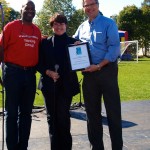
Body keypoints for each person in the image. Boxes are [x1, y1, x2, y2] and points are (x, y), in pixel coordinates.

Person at [73, 0, 123, 149]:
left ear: (98, 5)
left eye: (92, 4)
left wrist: (99, 65)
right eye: (86, 5)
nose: (89, 8)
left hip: (107, 71)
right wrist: (74, 44)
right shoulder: (81, 27)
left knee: (113, 113)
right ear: (83, 8)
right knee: (92, 115)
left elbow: (114, 47)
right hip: (89, 75)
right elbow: (73, 42)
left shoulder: (109, 23)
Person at [0, 1, 41, 150]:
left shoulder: (37, 31)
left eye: (32, 9)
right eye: (27, 8)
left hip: (30, 75)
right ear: (21, 10)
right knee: (11, 113)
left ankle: (23, 146)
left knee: (26, 114)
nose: (30, 11)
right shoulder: (10, 27)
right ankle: (12, 147)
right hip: (12, 73)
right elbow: (0, 49)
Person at [37, 13, 80, 150]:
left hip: (66, 86)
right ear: (52, 26)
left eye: (61, 24)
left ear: (66, 25)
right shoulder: (44, 43)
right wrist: (48, 72)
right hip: (49, 86)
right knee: (52, 118)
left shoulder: (74, 42)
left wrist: (80, 49)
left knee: (63, 117)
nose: (59, 26)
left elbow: (81, 63)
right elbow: (38, 63)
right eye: (56, 24)